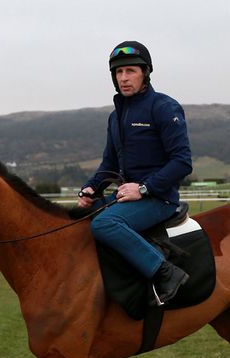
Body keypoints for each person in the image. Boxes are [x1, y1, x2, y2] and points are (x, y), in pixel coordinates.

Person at [78, 41, 193, 306]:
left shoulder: (164, 107)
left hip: (158, 198)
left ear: (145, 73)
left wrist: (142, 189)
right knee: (82, 216)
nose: (124, 78)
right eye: (118, 73)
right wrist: (91, 188)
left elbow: (182, 162)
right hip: (128, 196)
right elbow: (109, 162)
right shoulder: (115, 117)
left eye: (130, 71)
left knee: (104, 223)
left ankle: (165, 272)